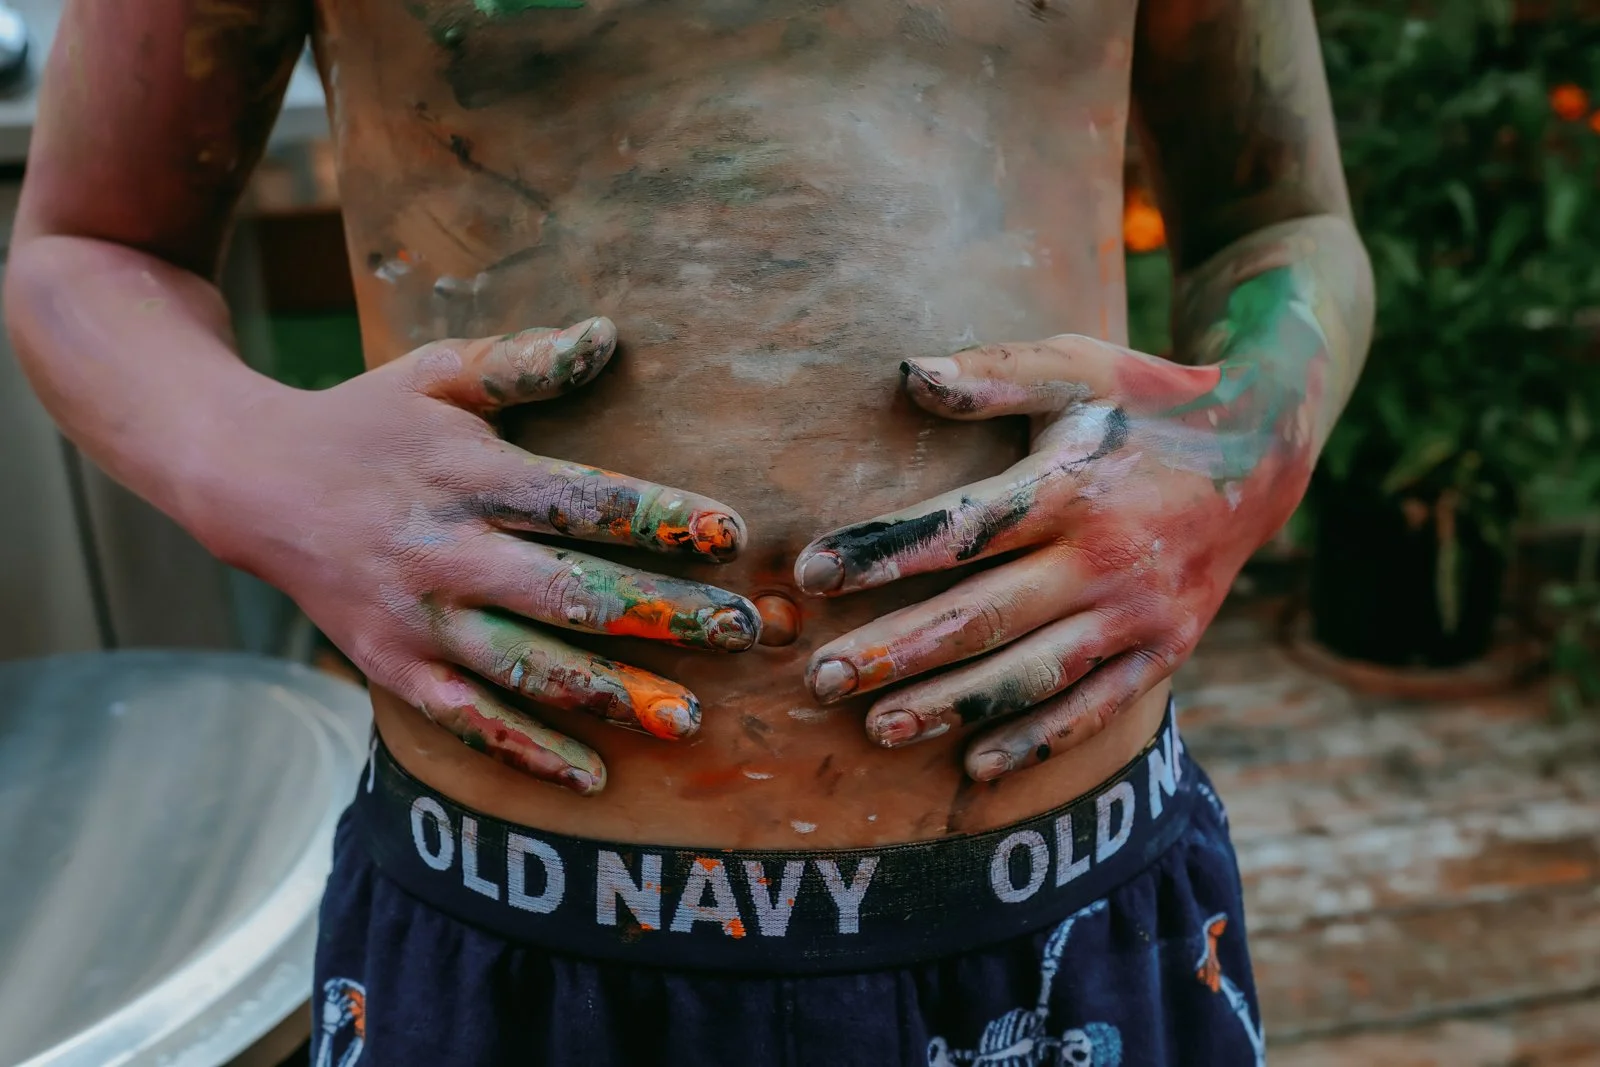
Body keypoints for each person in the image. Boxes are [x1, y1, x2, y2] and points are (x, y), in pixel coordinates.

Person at [8, 0, 1372, 1062]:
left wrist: (1226, 452)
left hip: (1061, 914)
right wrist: (269, 465)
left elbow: (1283, 219)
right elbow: (89, 246)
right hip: (522, 933)